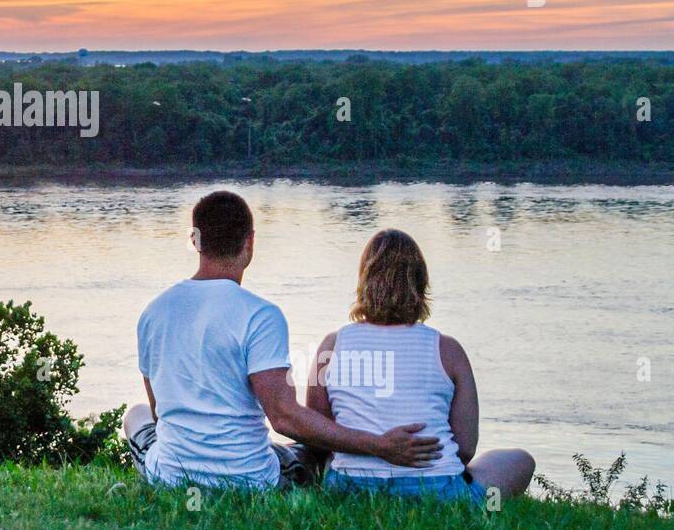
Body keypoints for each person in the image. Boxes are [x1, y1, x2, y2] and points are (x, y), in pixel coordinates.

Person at [124, 190, 443, 490]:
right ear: (249, 242)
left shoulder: (153, 312)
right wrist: (377, 444)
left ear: (195, 241)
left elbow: (158, 412)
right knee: (301, 450)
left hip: (170, 475)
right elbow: (284, 417)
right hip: (249, 478)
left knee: (135, 415)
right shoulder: (260, 315)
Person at [306, 228, 535, 504]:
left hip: (349, 489)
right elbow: (465, 448)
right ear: (421, 283)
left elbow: (317, 433)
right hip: (438, 491)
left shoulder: (332, 345)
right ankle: (475, 503)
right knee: (521, 461)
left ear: (364, 281)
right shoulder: (448, 350)